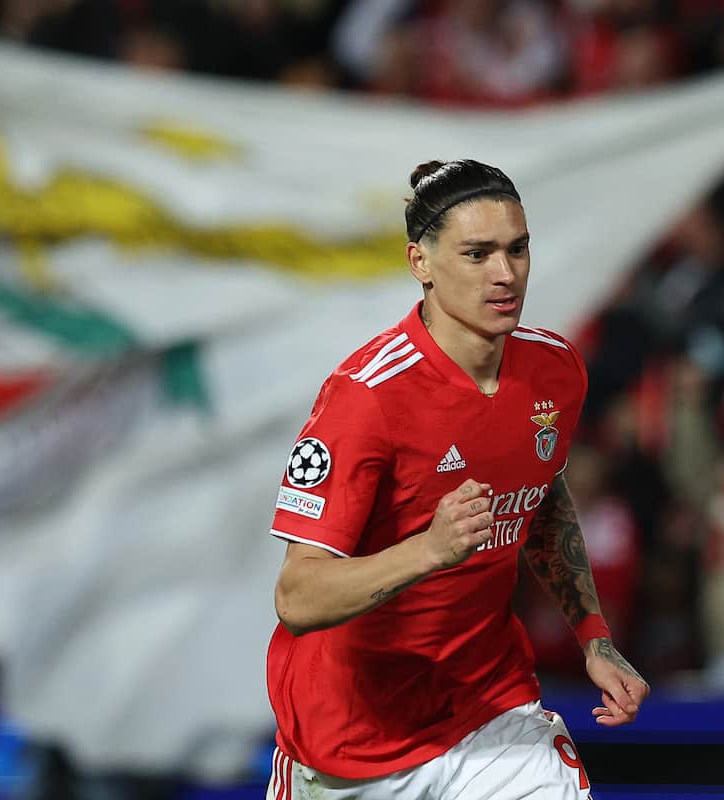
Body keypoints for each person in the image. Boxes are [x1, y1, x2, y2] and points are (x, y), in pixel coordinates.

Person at [265, 159, 648, 800]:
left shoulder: (555, 372)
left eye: (518, 249)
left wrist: (592, 634)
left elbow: (541, 495)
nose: (506, 274)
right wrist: (429, 550)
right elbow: (297, 597)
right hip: (354, 737)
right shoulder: (366, 398)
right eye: (477, 254)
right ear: (421, 262)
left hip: (488, 706)